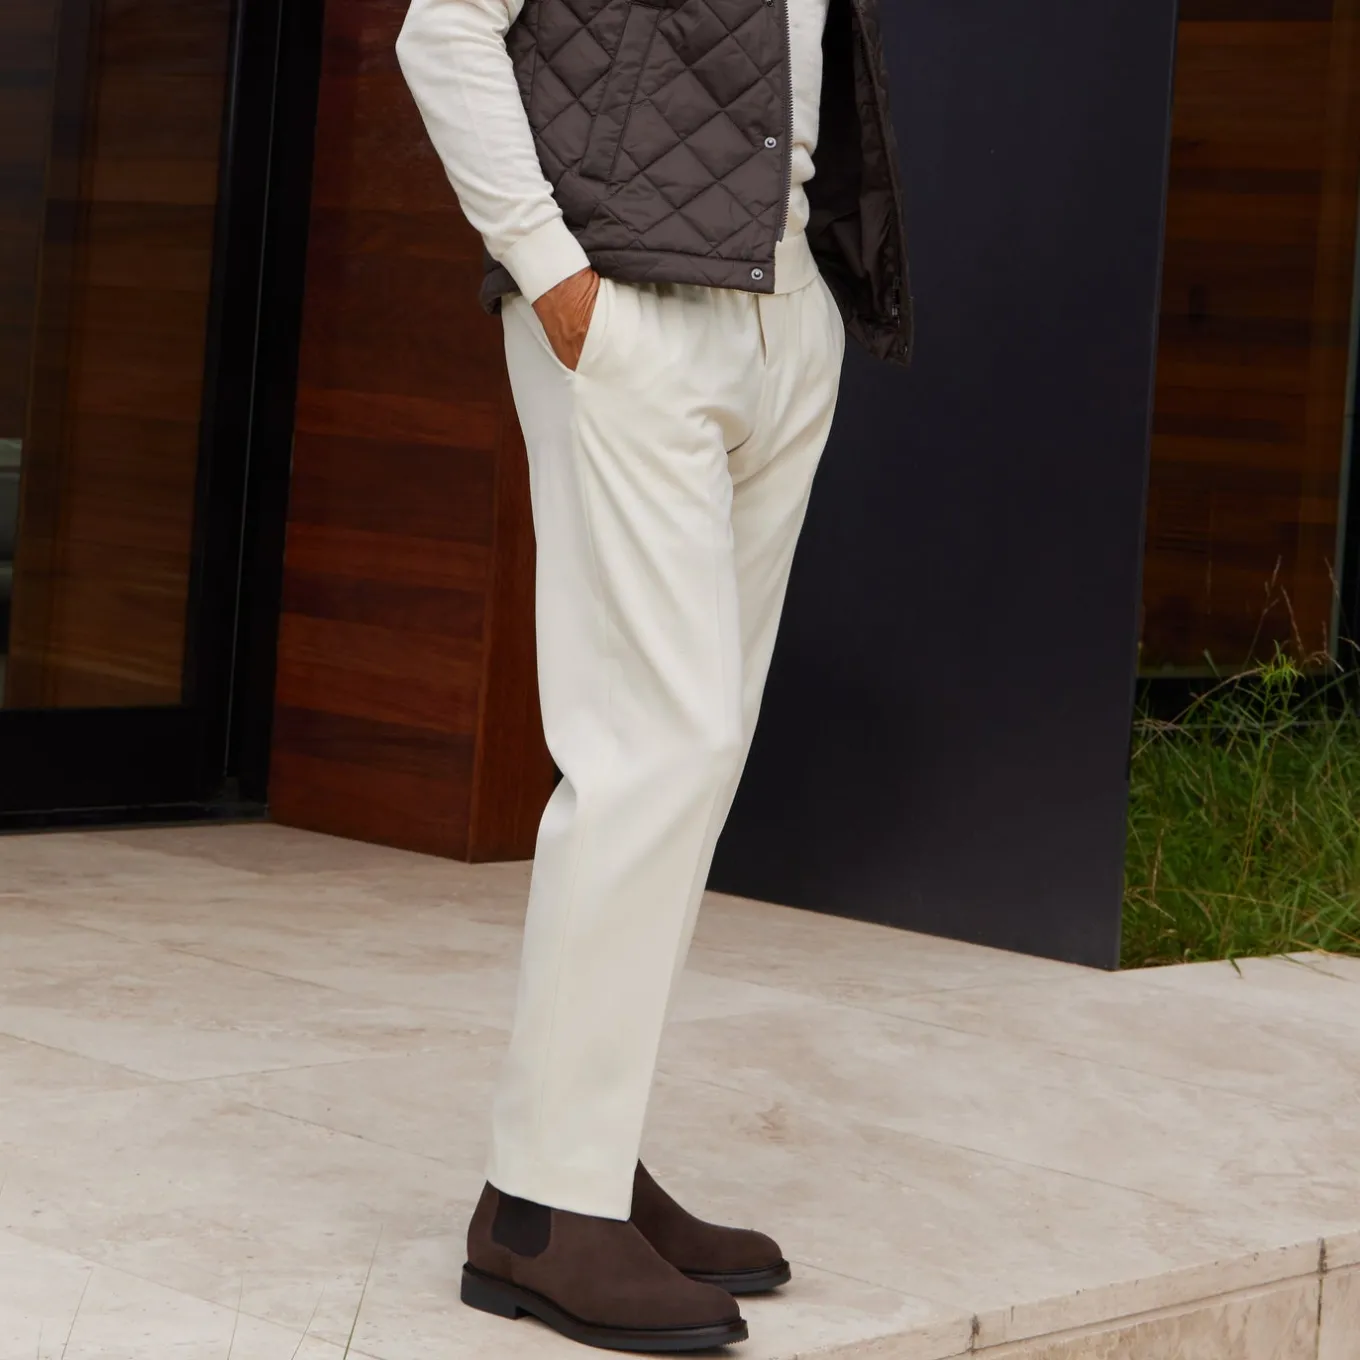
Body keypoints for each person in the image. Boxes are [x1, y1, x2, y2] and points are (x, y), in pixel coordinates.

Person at [396, 0, 911, 1348]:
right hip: (627, 307)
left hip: (780, 311)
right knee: (650, 749)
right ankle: (540, 1212)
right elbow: (442, 32)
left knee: (697, 760)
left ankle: (586, 1150)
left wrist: (812, 308)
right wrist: (553, 276)